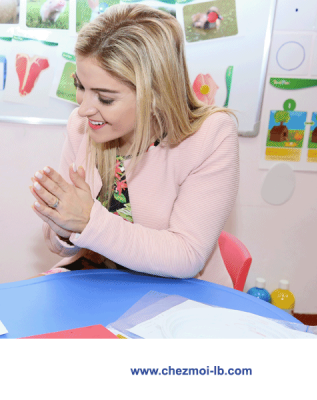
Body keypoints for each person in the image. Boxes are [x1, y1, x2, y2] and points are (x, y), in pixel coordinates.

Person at [29, 4, 239, 287]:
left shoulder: (211, 134)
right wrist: (62, 226)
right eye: (80, 86)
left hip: (179, 295)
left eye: (105, 98)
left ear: (155, 94)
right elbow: (63, 242)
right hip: (96, 284)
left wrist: (88, 221)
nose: (84, 109)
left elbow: (187, 255)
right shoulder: (81, 125)